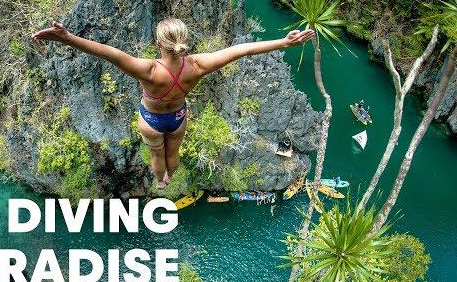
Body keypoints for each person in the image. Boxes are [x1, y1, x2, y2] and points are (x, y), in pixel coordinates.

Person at [32, 18, 314, 190]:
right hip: (178, 116)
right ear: (184, 42)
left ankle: (161, 181)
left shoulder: (149, 70)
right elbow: (241, 50)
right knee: (173, 152)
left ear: (158, 43)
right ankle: (172, 175)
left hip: (152, 120)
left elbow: (110, 54)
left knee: (157, 155)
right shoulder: (197, 65)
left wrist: (68, 39)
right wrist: (282, 43)